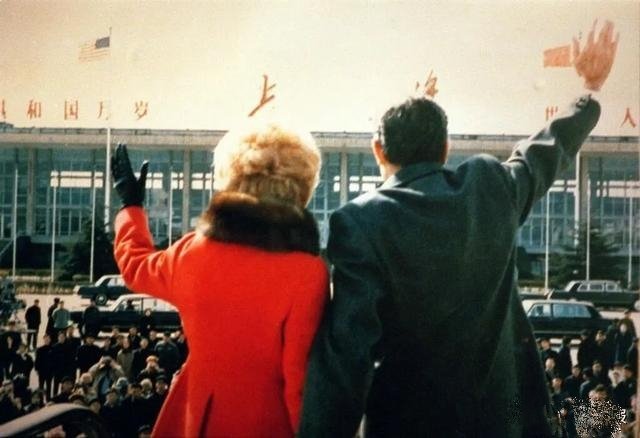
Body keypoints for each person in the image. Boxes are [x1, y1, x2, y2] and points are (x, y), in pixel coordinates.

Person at [299, 20, 618, 438]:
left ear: (378, 149)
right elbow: (546, 151)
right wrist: (590, 88)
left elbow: (348, 353)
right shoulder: (488, 187)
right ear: (445, 148)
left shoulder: (359, 222)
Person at [111, 119, 328, 437]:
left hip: (198, 419)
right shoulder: (308, 272)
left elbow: (135, 266)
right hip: (268, 424)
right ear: (302, 186)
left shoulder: (193, 252)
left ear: (231, 178)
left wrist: (131, 207)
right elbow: (299, 383)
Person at [35, 333, 53, 400]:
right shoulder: (40, 349)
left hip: (50, 371)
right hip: (41, 371)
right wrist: (37, 369)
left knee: (49, 386)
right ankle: (41, 400)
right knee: (41, 386)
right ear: (43, 339)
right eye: (45, 339)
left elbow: (54, 360)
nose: (47, 340)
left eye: (48, 339)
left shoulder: (53, 349)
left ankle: (48, 399)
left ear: (50, 339)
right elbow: (37, 360)